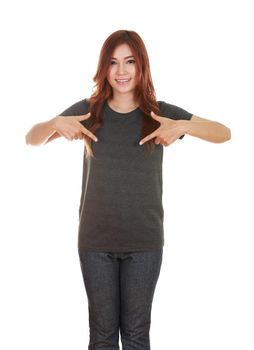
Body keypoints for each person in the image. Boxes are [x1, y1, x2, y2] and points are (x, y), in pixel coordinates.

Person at [25, 29, 231, 350]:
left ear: (141, 65)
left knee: (136, 336)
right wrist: (54, 123)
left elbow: (223, 132)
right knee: (102, 337)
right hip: (95, 242)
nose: (122, 71)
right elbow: (31, 138)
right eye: (113, 62)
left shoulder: (159, 113)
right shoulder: (89, 111)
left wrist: (183, 126)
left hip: (144, 243)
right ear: (104, 69)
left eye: (130, 61)